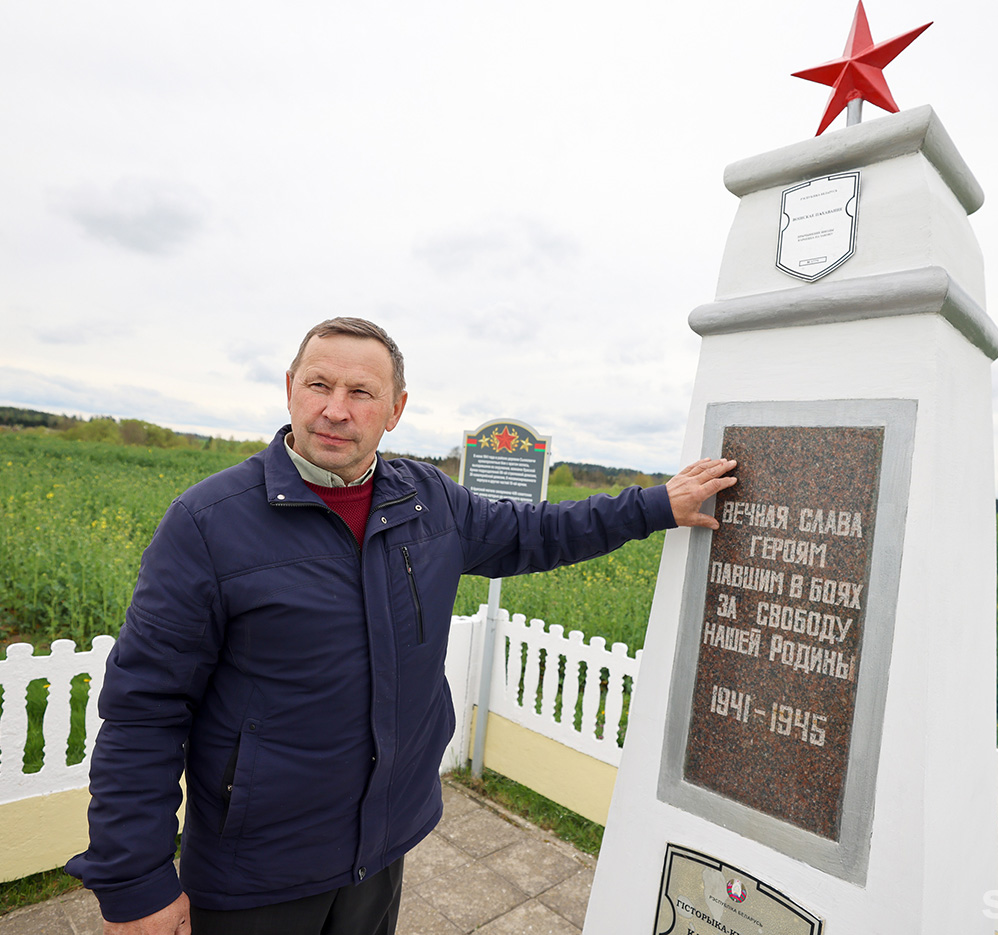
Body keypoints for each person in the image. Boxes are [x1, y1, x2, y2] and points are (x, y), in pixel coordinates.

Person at [67, 317, 737, 934]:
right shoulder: (210, 523)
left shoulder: (427, 500)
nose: (335, 407)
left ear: (396, 409)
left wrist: (656, 505)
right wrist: (136, 881)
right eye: (319, 383)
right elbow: (144, 710)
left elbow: (538, 532)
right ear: (290, 390)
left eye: (361, 391)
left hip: (382, 849)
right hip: (256, 871)